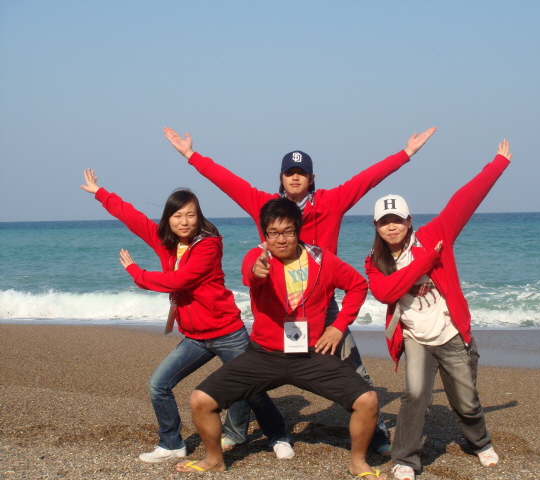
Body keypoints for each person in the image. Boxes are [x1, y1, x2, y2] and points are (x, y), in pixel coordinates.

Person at [164, 125, 436, 454]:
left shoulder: (332, 202)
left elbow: (368, 179)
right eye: (289, 173)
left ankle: (377, 436)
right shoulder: (265, 206)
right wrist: (192, 155)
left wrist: (405, 154)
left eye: (301, 173)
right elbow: (229, 182)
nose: (295, 178)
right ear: (281, 178)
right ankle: (236, 431)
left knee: (356, 371)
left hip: (322, 308)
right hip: (276, 309)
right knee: (246, 370)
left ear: (311, 178)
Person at [80, 170, 293, 462]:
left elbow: (179, 280)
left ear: (199, 217)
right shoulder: (165, 242)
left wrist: (137, 273)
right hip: (194, 337)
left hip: (227, 332)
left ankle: (278, 437)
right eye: (178, 215)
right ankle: (171, 444)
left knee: (252, 391)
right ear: (168, 219)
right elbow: (134, 218)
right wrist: (100, 193)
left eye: (191, 215)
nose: (185, 221)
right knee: (159, 385)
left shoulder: (208, 245)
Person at [176, 198, 386, 479]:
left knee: (368, 400)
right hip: (264, 355)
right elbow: (251, 275)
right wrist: (258, 271)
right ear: (265, 234)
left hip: (311, 354)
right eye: (273, 233)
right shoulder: (257, 257)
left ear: (298, 231)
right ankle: (214, 460)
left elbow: (358, 285)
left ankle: (358, 462)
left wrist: (338, 326)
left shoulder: (321, 259)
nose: (281, 239)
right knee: (201, 400)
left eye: (288, 231)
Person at [364, 140, 512, 480]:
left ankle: (480, 442)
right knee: (414, 395)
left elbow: (464, 201)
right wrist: (427, 262)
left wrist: (497, 165)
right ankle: (405, 459)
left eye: (397, 220)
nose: (391, 226)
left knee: (466, 400)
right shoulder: (375, 262)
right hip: (416, 337)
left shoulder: (435, 234)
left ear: (409, 221)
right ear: (376, 226)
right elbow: (386, 293)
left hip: (450, 332)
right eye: (384, 222)